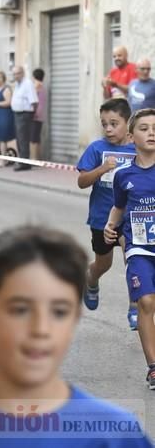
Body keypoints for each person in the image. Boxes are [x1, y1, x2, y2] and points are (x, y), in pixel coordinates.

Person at [0, 227, 152, 447]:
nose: (40, 329)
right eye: (20, 310)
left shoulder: (116, 434)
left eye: (59, 312)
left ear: (75, 319)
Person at [76, 98, 137, 329]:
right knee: (104, 264)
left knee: (133, 259)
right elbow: (82, 181)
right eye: (105, 124)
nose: (109, 129)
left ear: (127, 123)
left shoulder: (136, 148)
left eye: (114, 123)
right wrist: (102, 169)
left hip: (131, 217)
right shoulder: (97, 148)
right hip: (102, 218)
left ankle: (135, 306)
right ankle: (91, 279)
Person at [106, 107, 155, 388]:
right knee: (147, 301)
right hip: (138, 248)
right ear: (131, 136)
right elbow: (119, 206)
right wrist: (111, 226)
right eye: (145, 128)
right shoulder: (123, 176)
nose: (152, 133)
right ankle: (153, 366)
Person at [10, 65, 38, 171]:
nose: (15, 76)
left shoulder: (28, 83)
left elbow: (34, 101)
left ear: (22, 73)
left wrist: (30, 114)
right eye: (14, 74)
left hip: (25, 114)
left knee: (23, 139)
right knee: (19, 138)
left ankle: (25, 163)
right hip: (17, 114)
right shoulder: (18, 84)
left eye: (17, 73)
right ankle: (22, 160)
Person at [31, 68, 47, 160]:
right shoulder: (42, 86)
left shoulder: (36, 86)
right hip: (40, 114)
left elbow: (33, 99)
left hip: (35, 114)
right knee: (37, 138)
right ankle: (38, 157)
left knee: (33, 139)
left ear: (34, 76)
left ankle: (34, 159)